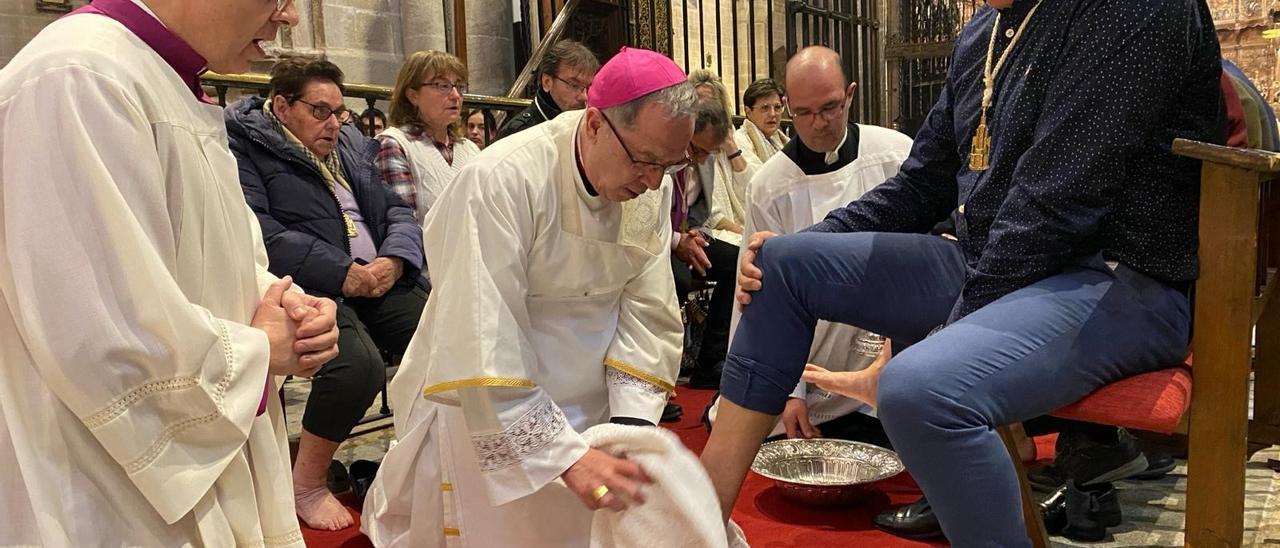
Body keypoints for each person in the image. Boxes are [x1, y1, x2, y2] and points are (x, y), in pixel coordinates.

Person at [701, 1, 1224, 544]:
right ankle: (701, 519)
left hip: (1115, 278)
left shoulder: (1133, 9)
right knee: (781, 263)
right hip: (991, 260)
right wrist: (810, 244)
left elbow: (1058, 205)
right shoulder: (984, 29)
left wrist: (944, 333)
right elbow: (924, 182)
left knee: (918, 389)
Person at [0, 0, 341, 546]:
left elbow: (209, 251)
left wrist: (287, 305)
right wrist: (258, 351)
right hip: (109, 484)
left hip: (207, 452)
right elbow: (97, 331)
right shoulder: (80, 76)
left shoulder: (160, 78)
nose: (290, 17)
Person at [361, 47, 695, 547]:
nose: (652, 182)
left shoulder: (649, 181)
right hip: (498, 393)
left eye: (668, 166)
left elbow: (647, 310)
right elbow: (482, 325)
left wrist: (627, 425)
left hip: (599, 395)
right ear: (596, 124)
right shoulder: (501, 178)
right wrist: (561, 454)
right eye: (645, 161)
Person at [225, 57, 427, 531]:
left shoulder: (352, 144)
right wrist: (343, 271)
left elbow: (396, 209)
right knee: (356, 365)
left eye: (341, 112)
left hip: (374, 276)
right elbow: (260, 231)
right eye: (321, 111)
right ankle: (306, 483)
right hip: (306, 284)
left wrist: (394, 259)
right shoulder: (246, 145)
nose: (335, 123)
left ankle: (422, 458)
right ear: (282, 106)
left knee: (438, 329)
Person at [708, 47, 913, 441]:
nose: (818, 123)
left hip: (889, 351)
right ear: (788, 107)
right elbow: (754, 292)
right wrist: (790, 390)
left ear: (850, 95)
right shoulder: (770, 185)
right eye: (804, 113)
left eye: (831, 107)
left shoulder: (894, 155)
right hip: (809, 358)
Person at [670, 96, 760, 390]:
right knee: (678, 279)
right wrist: (677, 240)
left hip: (690, 236)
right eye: (696, 149)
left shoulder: (704, 156)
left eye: (709, 152)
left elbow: (700, 210)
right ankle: (663, 374)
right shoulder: (667, 151)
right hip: (660, 242)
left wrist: (692, 233)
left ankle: (710, 363)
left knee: (739, 265)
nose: (700, 159)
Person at [377, 50, 481, 224]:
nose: (455, 95)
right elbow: (405, 226)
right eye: (442, 85)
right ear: (413, 95)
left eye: (459, 86)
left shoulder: (470, 149)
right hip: (423, 251)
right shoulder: (395, 144)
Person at [496, 39, 600, 139]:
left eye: (588, 87)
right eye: (574, 85)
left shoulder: (587, 125)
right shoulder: (518, 132)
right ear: (547, 82)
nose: (584, 97)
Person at [735, 78, 789, 164]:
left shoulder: (782, 141)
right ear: (748, 112)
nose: (772, 114)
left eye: (777, 107)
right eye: (765, 108)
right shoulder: (740, 141)